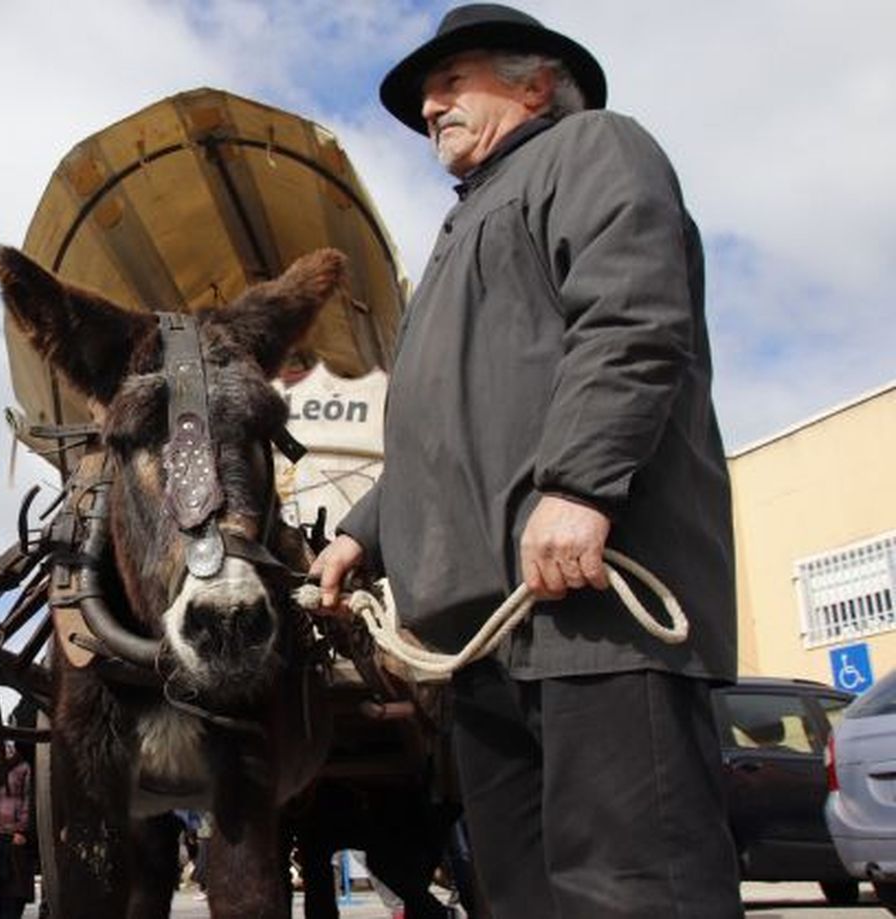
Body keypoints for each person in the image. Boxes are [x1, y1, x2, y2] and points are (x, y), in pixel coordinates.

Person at [310, 5, 739, 918]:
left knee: (632, 891)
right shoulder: (460, 231)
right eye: (426, 95)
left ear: (536, 82)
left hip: (594, 614)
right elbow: (450, 432)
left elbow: (632, 323)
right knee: (523, 897)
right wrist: (365, 533)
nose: (429, 107)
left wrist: (581, 485)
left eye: (449, 80)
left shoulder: (594, 149)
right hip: (489, 639)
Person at [0, 738, 34, 919]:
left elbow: (29, 801)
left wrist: (22, 828)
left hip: (13, 832)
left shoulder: (25, 767)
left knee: (14, 885)